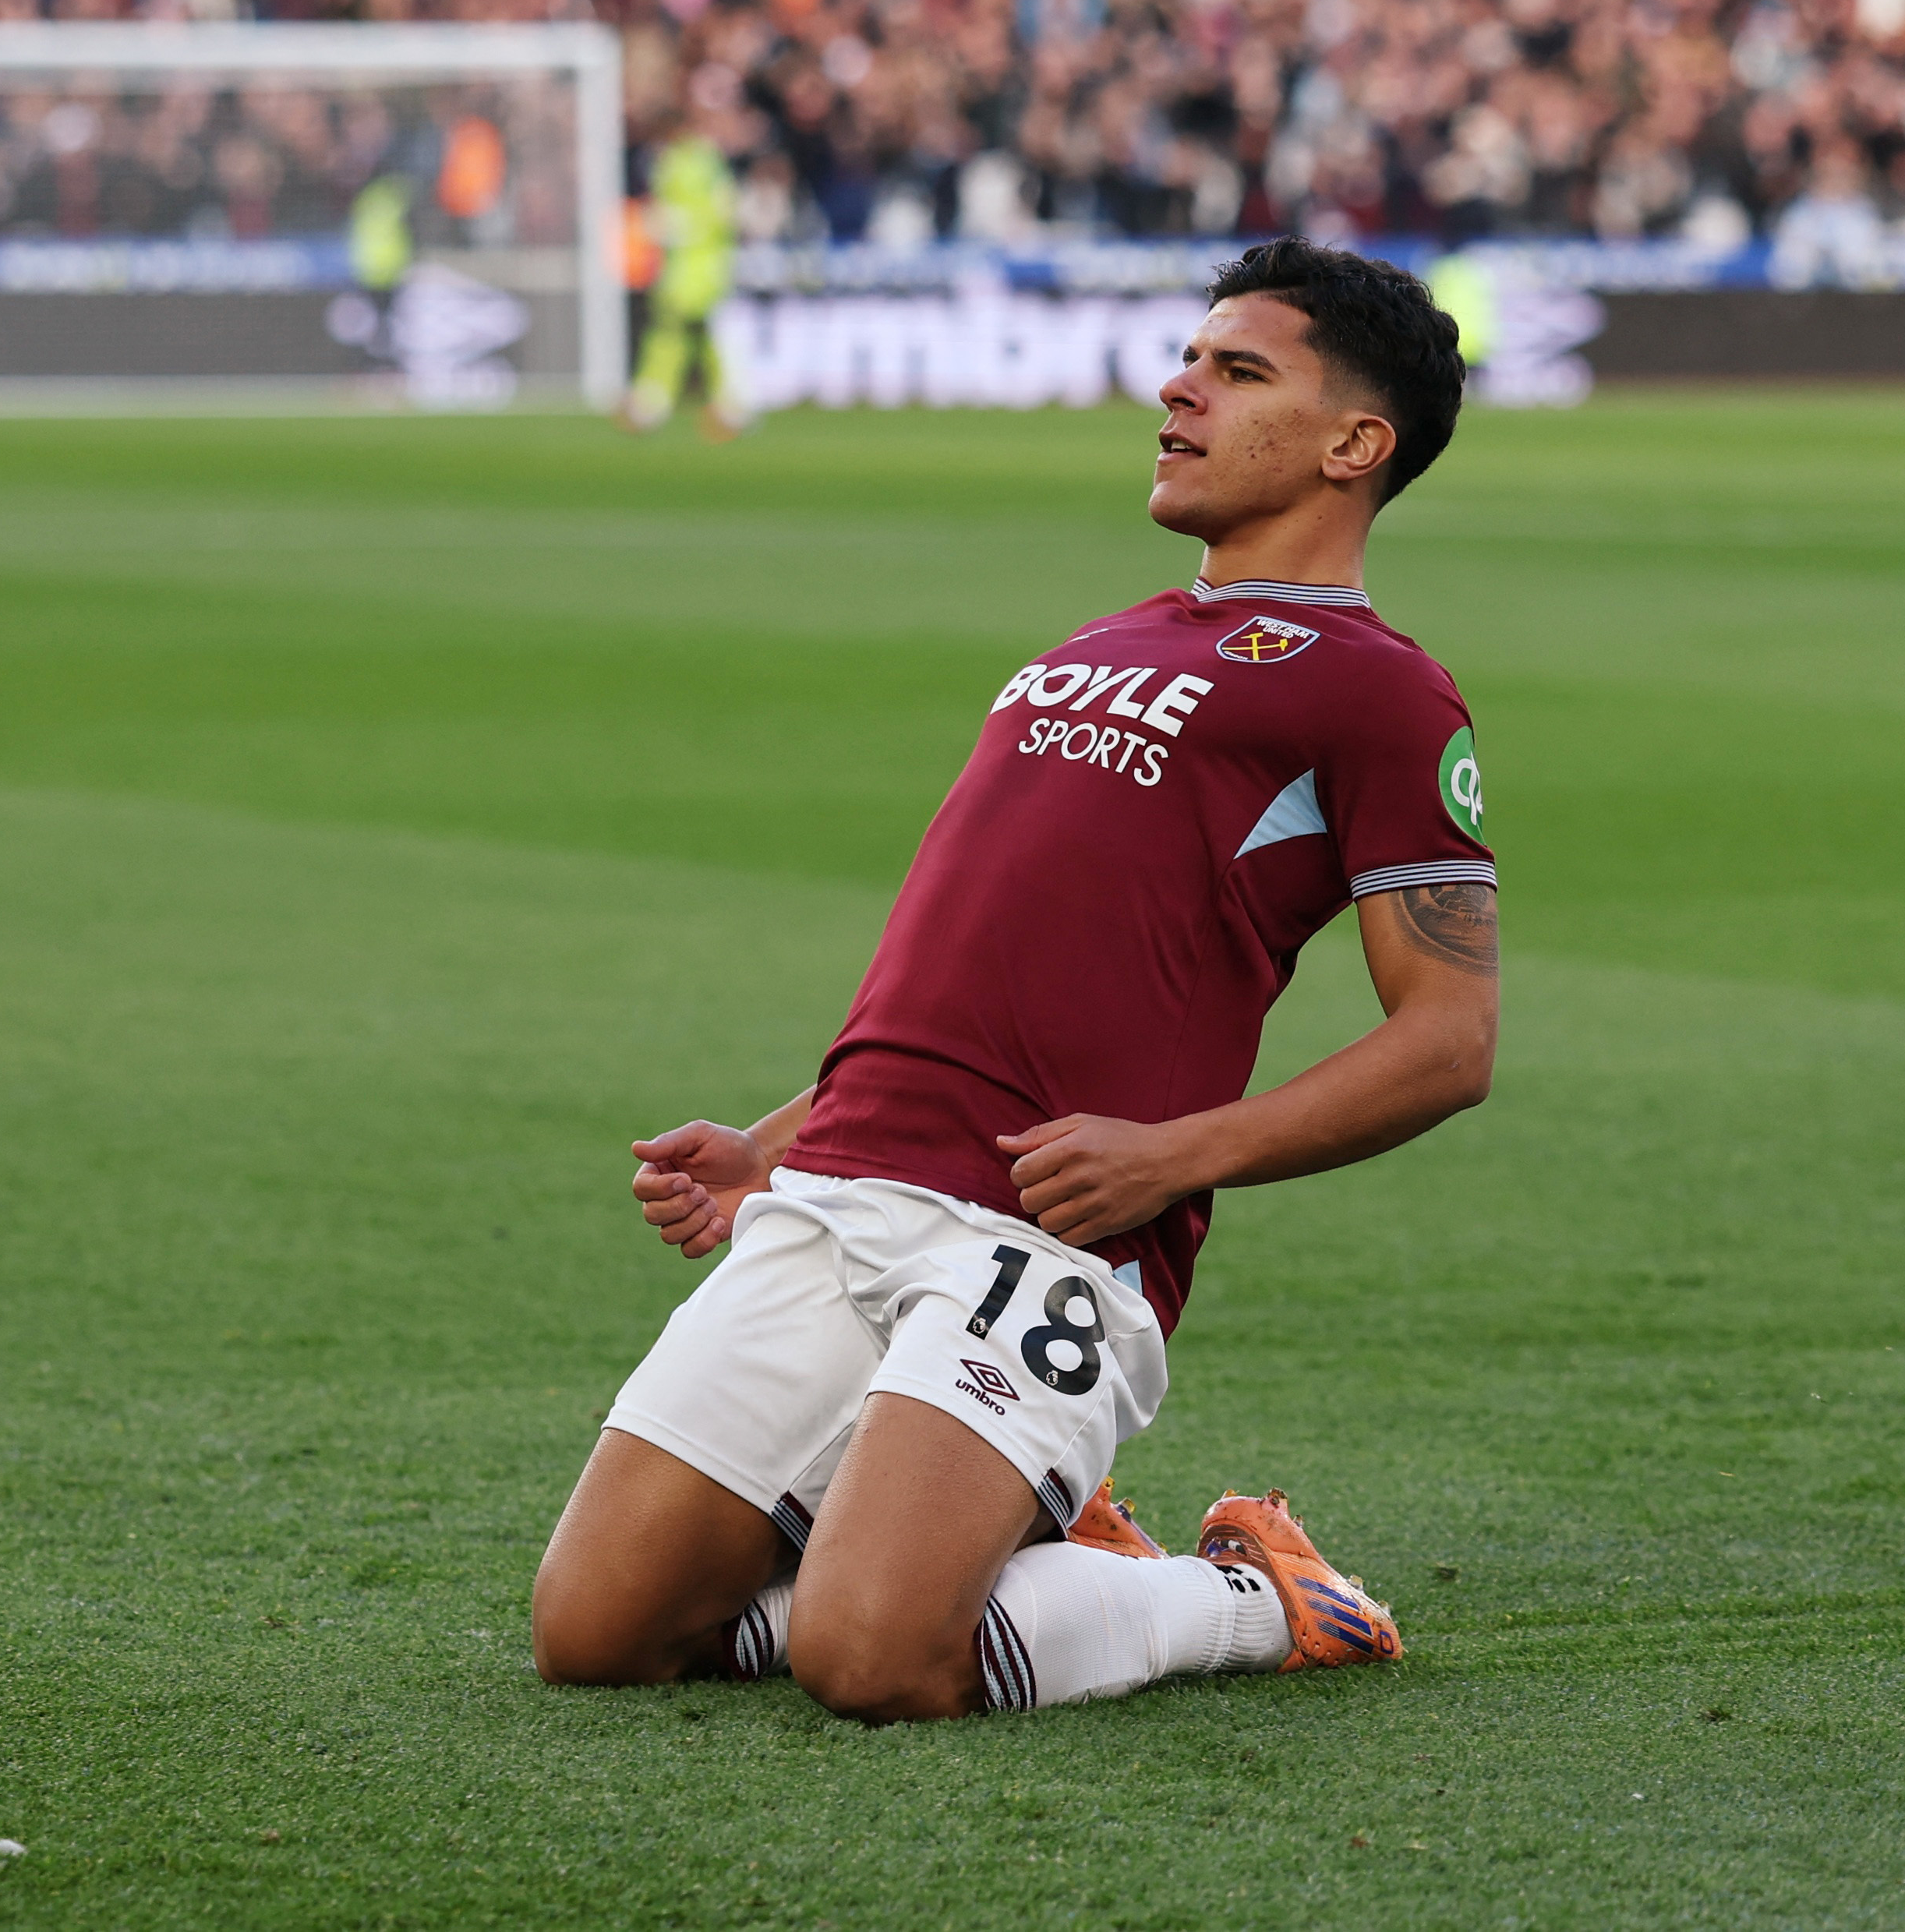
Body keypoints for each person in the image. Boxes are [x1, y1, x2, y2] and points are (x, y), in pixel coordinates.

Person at [535, 238, 1497, 1715]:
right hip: (842, 1183)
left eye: (1239, 371)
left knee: (876, 1661)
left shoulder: (1377, 688)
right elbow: (973, 965)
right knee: (595, 1635)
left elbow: (1447, 1040)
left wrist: (1173, 1160)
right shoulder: (1097, 642)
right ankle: (1019, 1546)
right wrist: (770, 1144)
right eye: (1190, 357)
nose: (1178, 386)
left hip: (1049, 1232)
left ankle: (1253, 1597)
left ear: (1355, 443)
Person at [622, 120, 747, 437]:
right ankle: (719, 402)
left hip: (702, 268)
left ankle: (660, 398)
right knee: (686, 335)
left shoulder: (702, 164)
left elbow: (723, 214)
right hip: (681, 268)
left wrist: (680, 225)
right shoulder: (675, 163)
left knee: (690, 334)